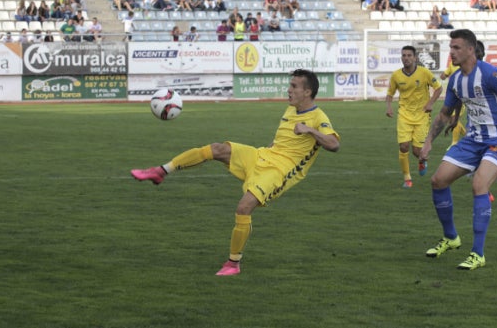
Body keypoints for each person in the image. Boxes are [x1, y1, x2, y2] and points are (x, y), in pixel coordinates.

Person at [131, 69, 340, 276]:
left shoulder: (318, 117)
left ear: (308, 92)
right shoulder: (291, 110)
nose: (288, 90)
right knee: (217, 148)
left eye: (294, 86)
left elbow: (334, 144)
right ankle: (160, 171)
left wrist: (310, 130)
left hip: (278, 171)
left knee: (244, 207)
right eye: (290, 85)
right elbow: (282, 141)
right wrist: (264, 152)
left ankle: (233, 263)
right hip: (262, 156)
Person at [419, 29, 497, 270]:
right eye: (451, 48)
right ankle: (451, 238)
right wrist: (428, 143)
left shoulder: (491, 74)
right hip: (473, 140)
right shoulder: (456, 80)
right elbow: (445, 114)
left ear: (471, 49)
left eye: (456, 48)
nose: (452, 53)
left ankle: (477, 254)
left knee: (479, 185)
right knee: (438, 180)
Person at [443, 40, 497, 204]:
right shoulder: (461, 76)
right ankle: (484, 188)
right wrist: (455, 118)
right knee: (478, 152)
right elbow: (460, 96)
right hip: (476, 123)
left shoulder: (491, 74)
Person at [386, 45, 442, 188]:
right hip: (404, 115)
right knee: (404, 146)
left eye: (409, 55)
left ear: (415, 58)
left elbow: (438, 88)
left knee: (418, 152)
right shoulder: (396, 75)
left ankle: (422, 161)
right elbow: (390, 93)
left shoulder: (424, 73)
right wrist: (389, 107)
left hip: (422, 116)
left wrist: (430, 103)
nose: (406, 58)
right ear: (401, 58)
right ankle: (407, 179)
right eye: (404, 55)